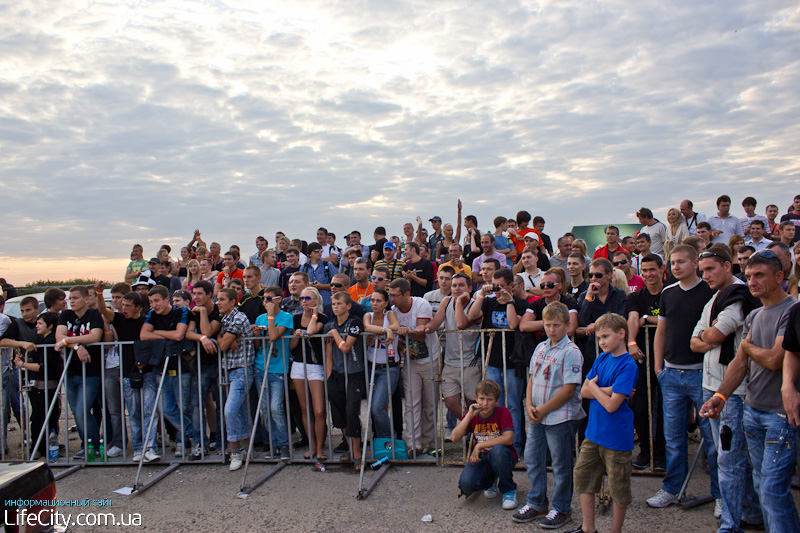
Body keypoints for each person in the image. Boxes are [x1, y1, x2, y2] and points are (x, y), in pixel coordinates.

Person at [700, 249, 799, 531]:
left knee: (770, 488)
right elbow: (739, 364)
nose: (752, 282)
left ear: (780, 277)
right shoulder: (755, 314)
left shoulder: (792, 311)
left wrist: (745, 346)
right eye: (749, 276)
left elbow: (774, 358)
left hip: (780, 416)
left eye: (760, 276)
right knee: (762, 484)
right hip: (753, 411)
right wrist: (720, 395)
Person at [690, 247, 764, 531]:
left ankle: (731, 524)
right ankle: (750, 514)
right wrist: (709, 335)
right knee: (726, 458)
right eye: (703, 270)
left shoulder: (739, 295)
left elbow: (714, 334)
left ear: (727, 266)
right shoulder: (714, 299)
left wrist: (708, 335)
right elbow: (695, 341)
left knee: (731, 459)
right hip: (710, 383)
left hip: (733, 389)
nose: (705, 274)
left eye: (711, 269)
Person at [647, 245, 719, 512]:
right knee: (674, 438)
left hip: (702, 376)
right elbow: (661, 332)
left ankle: (721, 494)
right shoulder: (668, 292)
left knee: (711, 439)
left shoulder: (710, 293)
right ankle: (671, 488)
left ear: (695, 263)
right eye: (673, 263)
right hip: (671, 374)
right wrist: (658, 369)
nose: (675, 267)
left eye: (681, 262)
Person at [513, 302, 583, 528]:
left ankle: (562, 508)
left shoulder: (571, 352)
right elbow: (532, 377)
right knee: (533, 459)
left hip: (558, 417)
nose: (552, 329)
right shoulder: (541, 347)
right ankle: (537, 502)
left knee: (561, 464)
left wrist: (543, 409)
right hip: (537, 415)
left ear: (566, 325)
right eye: (548, 325)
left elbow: (568, 389)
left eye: (557, 325)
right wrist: (530, 405)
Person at [571, 313, 638, 533]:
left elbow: (612, 406)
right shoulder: (601, 359)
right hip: (594, 433)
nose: (601, 342)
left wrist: (595, 388)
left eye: (606, 336)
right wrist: (606, 390)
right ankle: (588, 528)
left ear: (621, 334)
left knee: (618, 489)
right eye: (599, 338)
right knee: (583, 479)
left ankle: (615, 531)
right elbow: (583, 390)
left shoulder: (628, 365)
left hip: (617, 438)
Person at [465, 268, 528, 454]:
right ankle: (497, 443)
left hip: (512, 362)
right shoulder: (489, 302)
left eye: (502, 286)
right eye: (495, 286)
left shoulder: (521, 304)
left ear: (511, 285)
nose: (498, 290)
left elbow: (512, 324)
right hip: (492, 361)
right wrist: (481, 296)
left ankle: (515, 444)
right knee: (494, 405)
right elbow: (471, 316)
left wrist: (509, 301)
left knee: (514, 405)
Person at [626, 254, 667, 472]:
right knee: (641, 407)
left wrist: (649, 319)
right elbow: (633, 318)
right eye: (645, 271)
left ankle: (661, 454)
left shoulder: (670, 292)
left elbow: (671, 321)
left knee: (662, 408)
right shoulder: (636, 296)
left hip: (668, 358)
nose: (649, 274)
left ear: (662, 270)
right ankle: (645, 451)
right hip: (642, 358)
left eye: (653, 270)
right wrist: (631, 341)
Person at [452, 379, 519, 511]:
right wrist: (468, 417)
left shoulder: (503, 412)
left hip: (503, 455)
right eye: (482, 399)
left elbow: (508, 438)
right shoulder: (473, 414)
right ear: (476, 398)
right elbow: (454, 437)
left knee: (498, 451)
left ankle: (508, 489)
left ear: (496, 400)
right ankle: (490, 481)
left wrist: (479, 446)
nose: (485, 403)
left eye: (489, 399)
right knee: (466, 485)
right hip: (483, 457)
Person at [54, 286, 104, 459]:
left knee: (83, 410)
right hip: (70, 371)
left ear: (85, 299)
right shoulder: (65, 315)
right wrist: (76, 346)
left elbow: (94, 336)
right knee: (76, 411)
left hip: (90, 372)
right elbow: (58, 336)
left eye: (75, 298)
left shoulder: (94, 315)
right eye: (70, 298)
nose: (71, 301)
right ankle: (86, 445)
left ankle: (93, 445)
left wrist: (68, 340)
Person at [389, 278, 437, 454]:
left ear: (406, 294)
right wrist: (402, 347)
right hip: (410, 362)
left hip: (430, 358)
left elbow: (421, 334)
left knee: (430, 403)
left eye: (395, 295)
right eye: (390, 295)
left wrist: (405, 331)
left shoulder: (421, 304)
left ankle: (429, 441)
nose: (392, 299)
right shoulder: (393, 311)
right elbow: (397, 339)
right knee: (411, 402)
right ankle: (413, 444)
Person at [425, 273, 481, 421]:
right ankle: (471, 427)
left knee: (472, 403)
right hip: (450, 361)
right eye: (454, 285)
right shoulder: (446, 301)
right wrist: (421, 328)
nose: (457, 288)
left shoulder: (475, 305)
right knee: (450, 402)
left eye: (461, 285)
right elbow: (435, 324)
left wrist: (460, 303)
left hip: (470, 362)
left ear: (470, 288)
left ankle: (475, 436)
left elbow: (461, 324)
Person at [323, 292, 367, 470]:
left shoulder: (354, 322)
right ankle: (350, 449)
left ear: (348, 306)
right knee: (339, 414)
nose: (335, 307)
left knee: (351, 412)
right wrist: (328, 376)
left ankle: (357, 453)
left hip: (354, 373)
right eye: (333, 304)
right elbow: (328, 353)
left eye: (339, 304)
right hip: (336, 374)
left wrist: (334, 334)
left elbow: (346, 348)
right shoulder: (329, 325)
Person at [11, 312, 60, 460]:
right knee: (41, 418)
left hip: (45, 386)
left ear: (50, 326)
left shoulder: (49, 342)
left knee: (40, 418)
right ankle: (43, 449)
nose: (36, 326)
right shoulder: (45, 340)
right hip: (42, 386)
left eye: (40, 324)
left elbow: (42, 366)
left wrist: (22, 364)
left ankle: (42, 450)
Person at [253, 286, 294, 460]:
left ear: (278, 299)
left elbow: (273, 336)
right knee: (265, 409)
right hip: (261, 366)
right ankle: (273, 443)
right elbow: (258, 346)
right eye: (264, 299)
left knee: (276, 407)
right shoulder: (260, 317)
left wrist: (270, 316)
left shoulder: (286, 317)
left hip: (277, 368)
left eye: (269, 299)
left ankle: (284, 444)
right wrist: (255, 335)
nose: (266, 302)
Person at [217, 288, 255, 471]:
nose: (218, 302)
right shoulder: (224, 319)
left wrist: (221, 339)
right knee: (238, 410)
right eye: (218, 299)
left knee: (230, 410)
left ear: (233, 302)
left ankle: (235, 452)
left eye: (222, 299)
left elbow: (223, 345)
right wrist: (222, 339)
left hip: (242, 370)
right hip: (230, 370)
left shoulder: (238, 318)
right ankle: (247, 447)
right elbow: (223, 342)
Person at [289, 286, 328, 460]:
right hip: (298, 365)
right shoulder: (295, 318)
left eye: (308, 298)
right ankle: (312, 445)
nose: (304, 301)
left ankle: (320, 447)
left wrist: (313, 314)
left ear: (316, 300)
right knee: (305, 409)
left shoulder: (322, 317)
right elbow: (291, 347)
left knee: (319, 410)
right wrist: (296, 336)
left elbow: (312, 331)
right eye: (302, 298)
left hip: (316, 366)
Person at [186, 280, 223, 454]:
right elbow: (189, 332)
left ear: (209, 294)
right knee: (197, 405)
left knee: (222, 404)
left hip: (219, 364)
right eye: (194, 294)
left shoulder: (217, 310)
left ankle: (222, 442)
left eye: (199, 294)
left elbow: (208, 330)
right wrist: (201, 339)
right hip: (201, 365)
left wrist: (201, 312)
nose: (196, 297)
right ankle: (201, 443)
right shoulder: (193, 312)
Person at [362, 289, 400, 439]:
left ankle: (389, 438)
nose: (375, 304)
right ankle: (379, 439)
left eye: (378, 301)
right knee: (374, 407)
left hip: (388, 368)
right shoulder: (368, 315)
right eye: (372, 300)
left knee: (377, 407)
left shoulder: (389, 315)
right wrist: (385, 330)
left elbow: (396, 325)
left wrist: (387, 330)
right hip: (371, 366)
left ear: (385, 303)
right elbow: (366, 327)